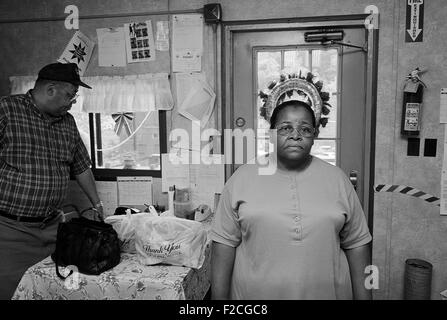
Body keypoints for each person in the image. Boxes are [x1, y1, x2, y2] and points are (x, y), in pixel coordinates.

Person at [211, 75, 372, 300]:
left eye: (305, 129)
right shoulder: (241, 179)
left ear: (315, 136)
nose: (295, 135)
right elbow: (223, 246)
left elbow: (358, 246)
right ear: (271, 134)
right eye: (286, 128)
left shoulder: (338, 180)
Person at [0, 62, 104, 299]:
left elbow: (81, 167)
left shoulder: (67, 122)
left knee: (53, 291)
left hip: (52, 229)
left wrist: (97, 205)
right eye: (70, 95)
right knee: (11, 292)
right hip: (9, 231)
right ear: (50, 89)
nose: (72, 102)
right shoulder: (7, 110)